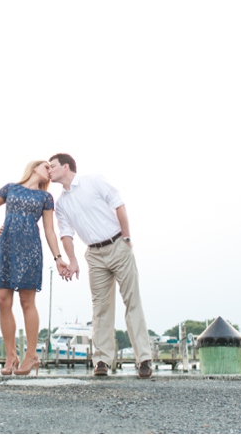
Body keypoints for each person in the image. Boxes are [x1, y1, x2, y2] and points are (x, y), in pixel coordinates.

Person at [48, 153, 154, 378]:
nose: (49, 170)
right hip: (94, 255)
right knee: (100, 308)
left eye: (52, 166)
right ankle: (102, 361)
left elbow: (119, 204)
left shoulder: (93, 181)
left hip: (117, 245)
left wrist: (126, 238)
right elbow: (66, 234)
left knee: (131, 301)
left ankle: (144, 358)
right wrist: (73, 260)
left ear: (66, 167)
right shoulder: (61, 204)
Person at [0, 160, 70, 376]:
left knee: (26, 301)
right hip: (7, 248)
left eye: (52, 168)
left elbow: (50, 230)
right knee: (2, 300)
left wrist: (58, 257)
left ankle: (31, 355)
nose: (50, 171)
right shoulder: (10, 188)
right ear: (33, 168)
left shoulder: (45, 198)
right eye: (47, 167)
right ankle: (11, 355)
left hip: (31, 249)